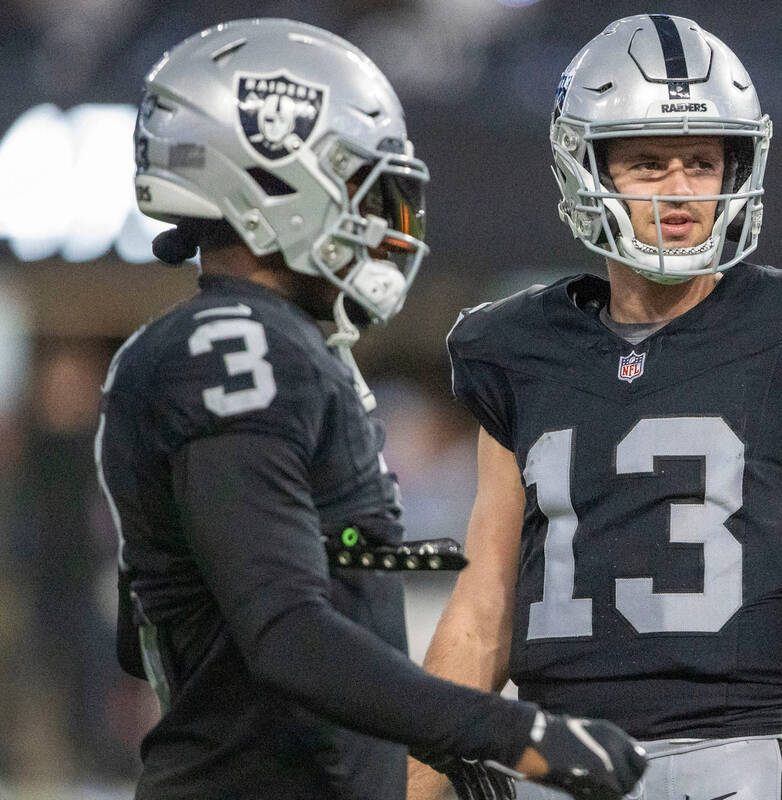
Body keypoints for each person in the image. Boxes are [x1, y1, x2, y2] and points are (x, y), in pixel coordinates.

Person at [96, 18, 646, 800]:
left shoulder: (259, 348)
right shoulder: (235, 348)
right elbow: (286, 633)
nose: (386, 222)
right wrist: (512, 733)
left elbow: (162, 623)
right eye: (361, 184)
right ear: (273, 180)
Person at [409, 14, 782, 800]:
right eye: (649, 163)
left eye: (702, 160)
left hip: (732, 753)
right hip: (554, 755)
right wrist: (419, 789)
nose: (683, 191)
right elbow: (484, 610)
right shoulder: (517, 348)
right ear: (585, 168)